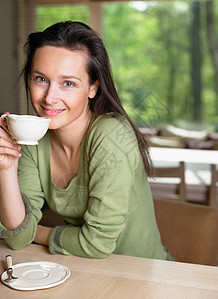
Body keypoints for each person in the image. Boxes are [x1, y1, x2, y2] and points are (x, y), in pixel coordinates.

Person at [0, 21, 173, 260]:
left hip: (142, 275)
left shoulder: (111, 135)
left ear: (93, 88)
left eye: (68, 83)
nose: (50, 98)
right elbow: (17, 237)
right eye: (41, 79)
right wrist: (6, 168)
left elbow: (97, 245)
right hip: (84, 271)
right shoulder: (33, 139)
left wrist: (37, 233)